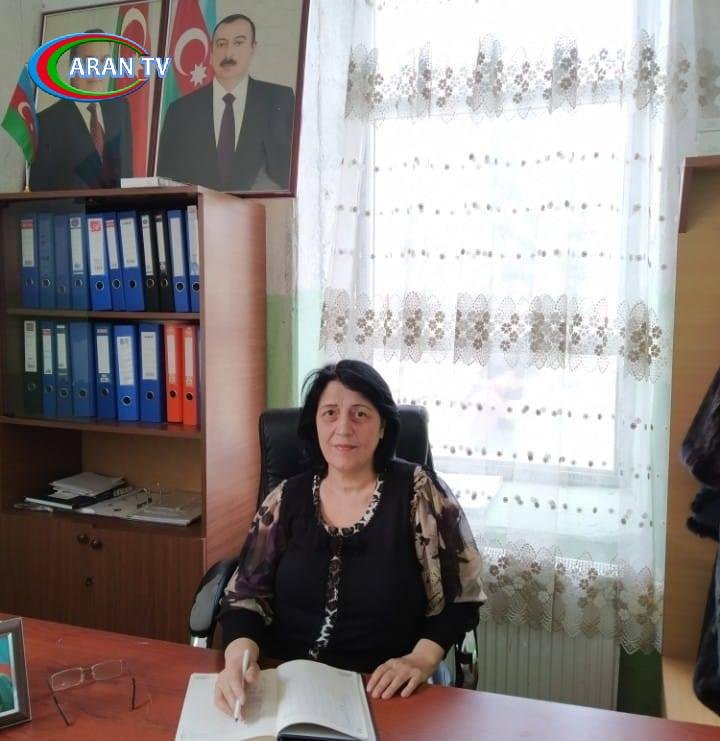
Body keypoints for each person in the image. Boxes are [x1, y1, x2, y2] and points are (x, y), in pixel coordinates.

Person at [215, 360, 485, 716]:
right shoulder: (285, 499)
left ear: (383, 426)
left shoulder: (419, 494)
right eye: (330, 413)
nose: (343, 428)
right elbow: (245, 597)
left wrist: (421, 659)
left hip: (384, 689)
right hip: (286, 687)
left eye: (360, 414)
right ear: (314, 423)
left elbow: (461, 596)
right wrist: (238, 658)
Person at [156, 13, 295, 192]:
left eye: (238, 43)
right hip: (199, 209)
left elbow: (288, 174)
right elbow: (166, 183)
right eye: (221, 44)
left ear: (253, 47)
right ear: (212, 50)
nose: (228, 54)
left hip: (261, 208)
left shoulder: (279, 99)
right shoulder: (180, 111)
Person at [29, 31, 133, 191]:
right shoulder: (45, 123)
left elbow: (128, 175)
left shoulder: (120, 108)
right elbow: (41, 193)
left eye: (104, 62)